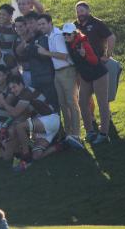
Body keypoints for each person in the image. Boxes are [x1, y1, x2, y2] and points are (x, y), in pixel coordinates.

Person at [36, 14, 84, 150]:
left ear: (50, 23)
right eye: (39, 25)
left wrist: (45, 53)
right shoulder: (50, 36)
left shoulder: (57, 36)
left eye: (43, 24)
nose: (41, 27)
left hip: (67, 71)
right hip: (58, 73)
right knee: (63, 104)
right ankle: (69, 134)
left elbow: (64, 56)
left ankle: (76, 134)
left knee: (71, 103)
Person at [0, 75, 62, 171]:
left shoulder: (26, 93)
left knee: (20, 127)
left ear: (22, 84)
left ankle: (26, 158)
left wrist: (3, 102)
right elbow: (21, 114)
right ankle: (59, 146)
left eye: (14, 87)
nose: (13, 90)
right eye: (11, 88)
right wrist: (5, 125)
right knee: (36, 155)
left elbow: (15, 113)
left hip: (50, 119)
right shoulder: (24, 94)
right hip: (44, 124)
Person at [62, 23, 111, 144]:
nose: (66, 36)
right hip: (86, 76)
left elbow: (94, 60)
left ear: (74, 33)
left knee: (102, 102)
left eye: (68, 34)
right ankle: (90, 131)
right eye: (64, 34)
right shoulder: (69, 44)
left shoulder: (83, 43)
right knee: (82, 102)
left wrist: (84, 55)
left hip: (98, 74)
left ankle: (104, 133)